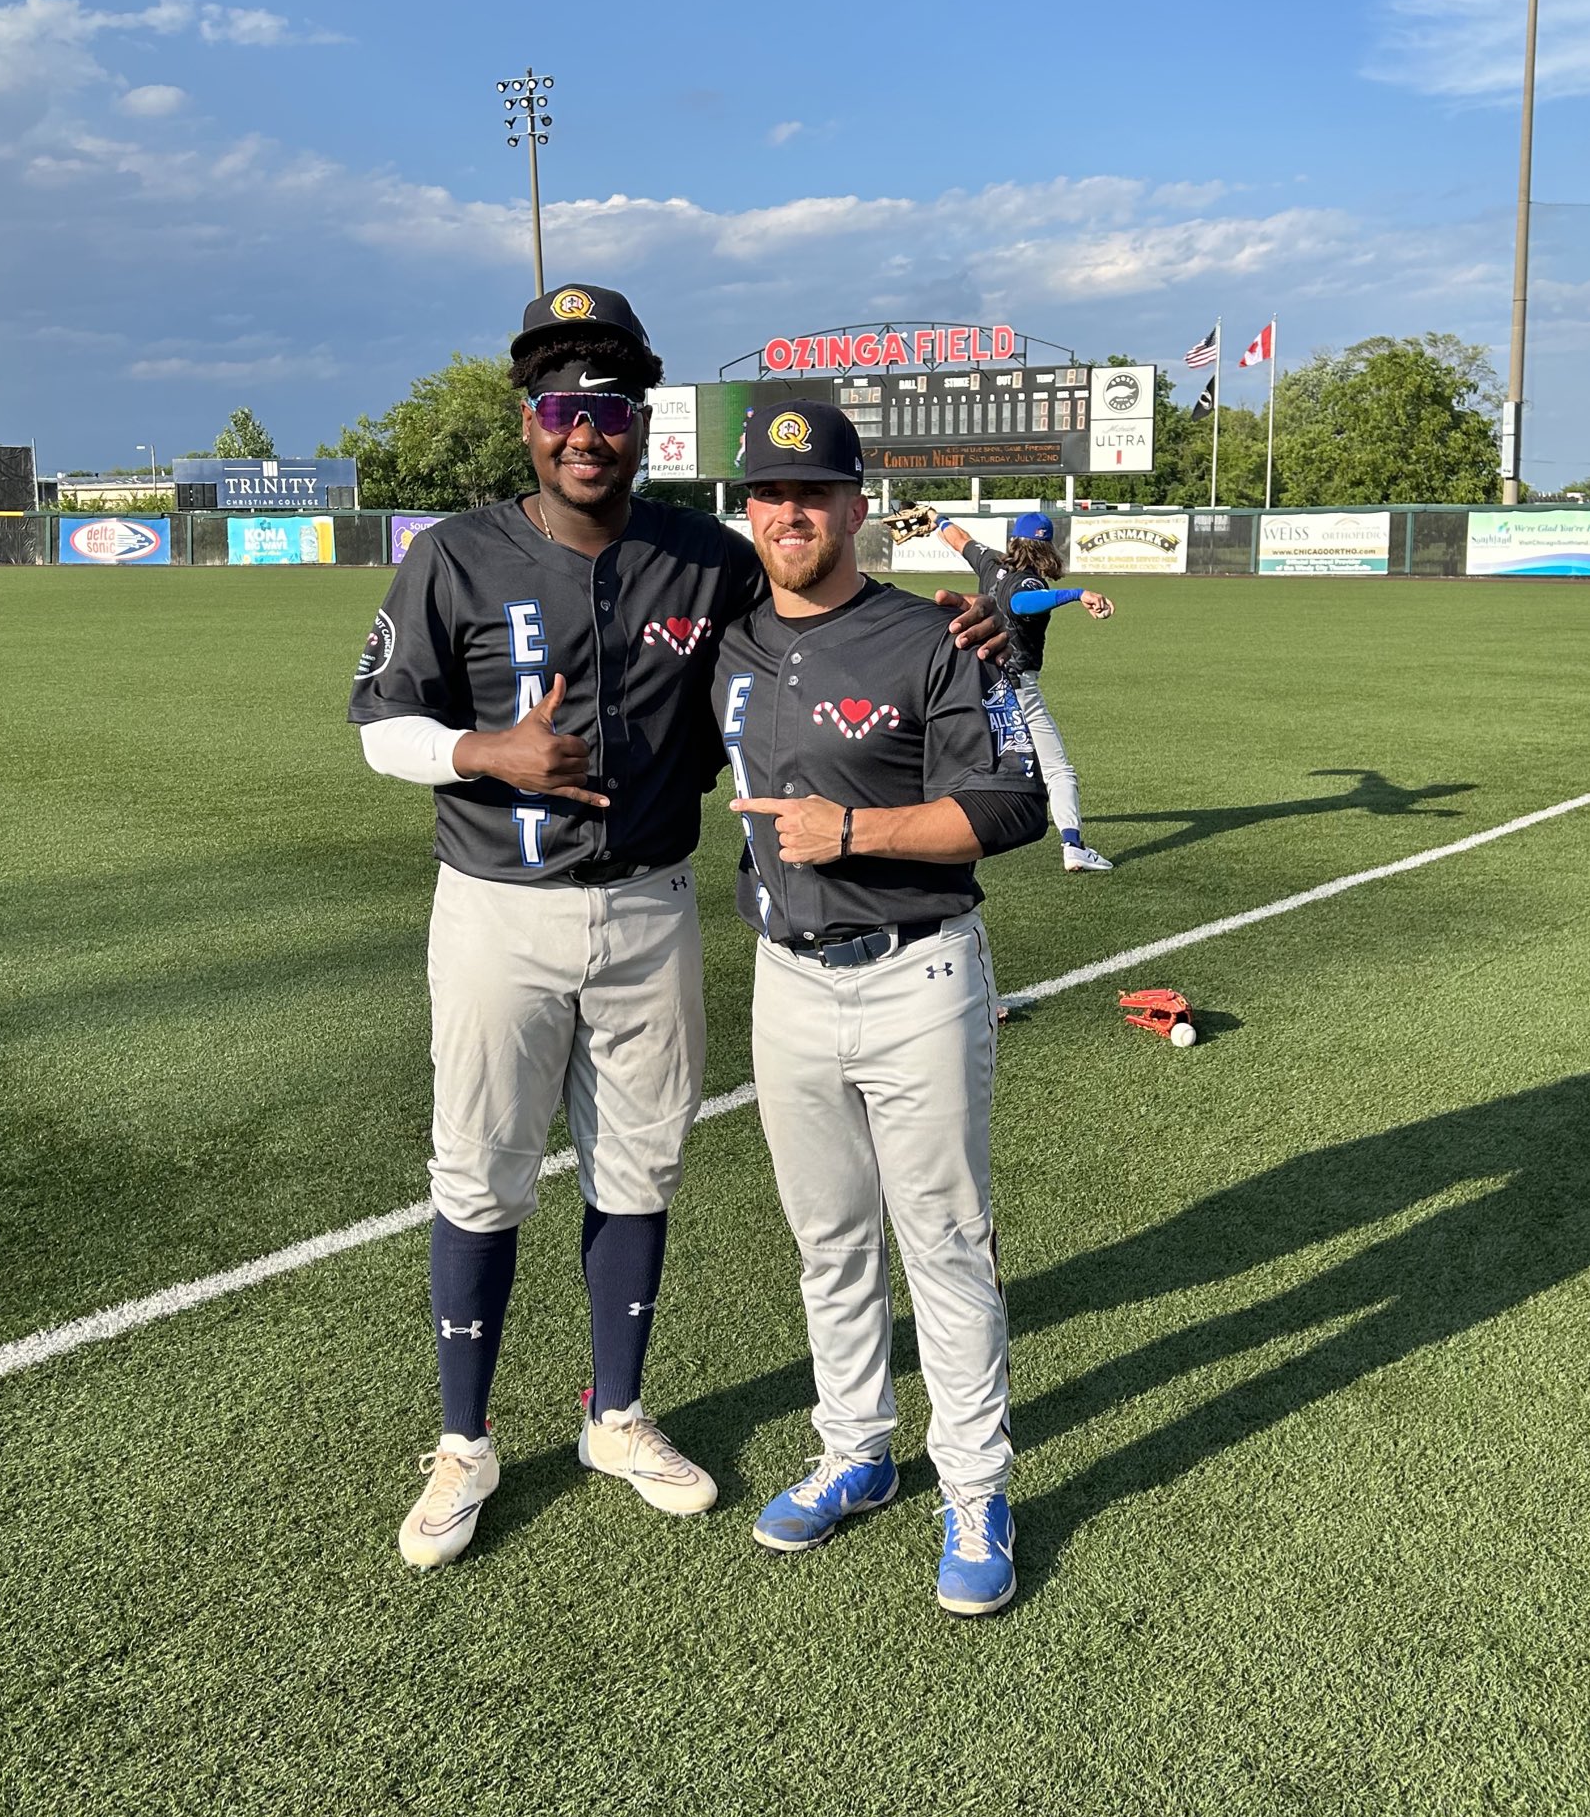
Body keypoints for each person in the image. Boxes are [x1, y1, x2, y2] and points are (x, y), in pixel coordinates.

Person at [348, 287, 1004, 1571]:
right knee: (479, 1170)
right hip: (496, 908)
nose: (583, 432)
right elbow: (379, 725)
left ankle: (617, 1415)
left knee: (639, 1170)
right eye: (559, 408)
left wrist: (966, 627)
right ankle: (465, 1442)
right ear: (529, 423)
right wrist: (488, 748)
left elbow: (830, 632)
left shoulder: (701, 558)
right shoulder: (455, 554)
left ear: (640, 425)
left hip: (651, 906)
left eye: (607, 410)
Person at [715, 400, 1047, 1617]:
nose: (789, 512)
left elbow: (1010, 804)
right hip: (785, 979)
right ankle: (857, 1448)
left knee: (946, 1246)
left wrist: (849, 829)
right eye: (767, 493)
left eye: (813, 492)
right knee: (827, 1239)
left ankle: (976, 1486)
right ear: (746, 510)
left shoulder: (936, 636)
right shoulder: (729, 637)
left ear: (857, 506)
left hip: (917, 973)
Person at [937, 510, 1116, 875]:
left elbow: (959, 539)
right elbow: (1021, 604)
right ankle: (1073, 845)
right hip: (1018, 687)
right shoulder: (1031, 584)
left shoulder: (990, 563)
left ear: (1014, 540)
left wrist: (936, 520)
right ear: (1047, 548)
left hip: (978, 682)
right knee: (1058, 769)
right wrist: (1077, 593)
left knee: (963, 759)